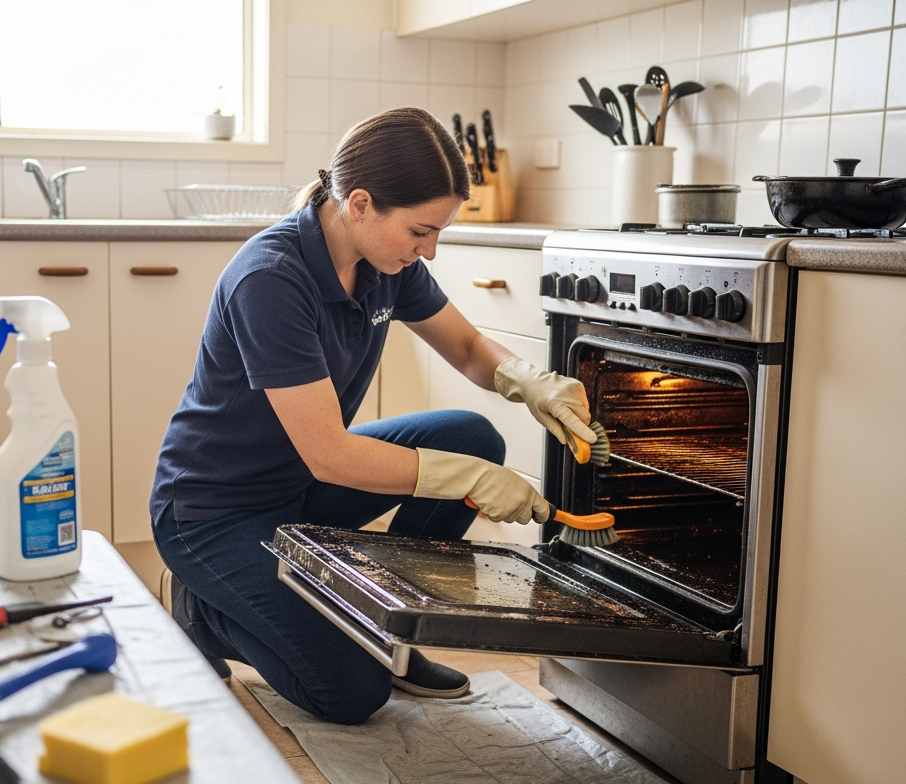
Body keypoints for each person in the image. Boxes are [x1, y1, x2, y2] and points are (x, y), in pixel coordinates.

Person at [150, 107, 595, 725]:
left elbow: (468, 347)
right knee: (352, 692)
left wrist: (527, 379)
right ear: (359, 204)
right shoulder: (270, 279)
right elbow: (330, 454)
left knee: (471, 437)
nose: (429, 250)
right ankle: (205, 613)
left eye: (438, 232)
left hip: (301, 484)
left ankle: (395, 624)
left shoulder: (387, 264)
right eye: (420, 231)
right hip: (214, 513)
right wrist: (467, 480)